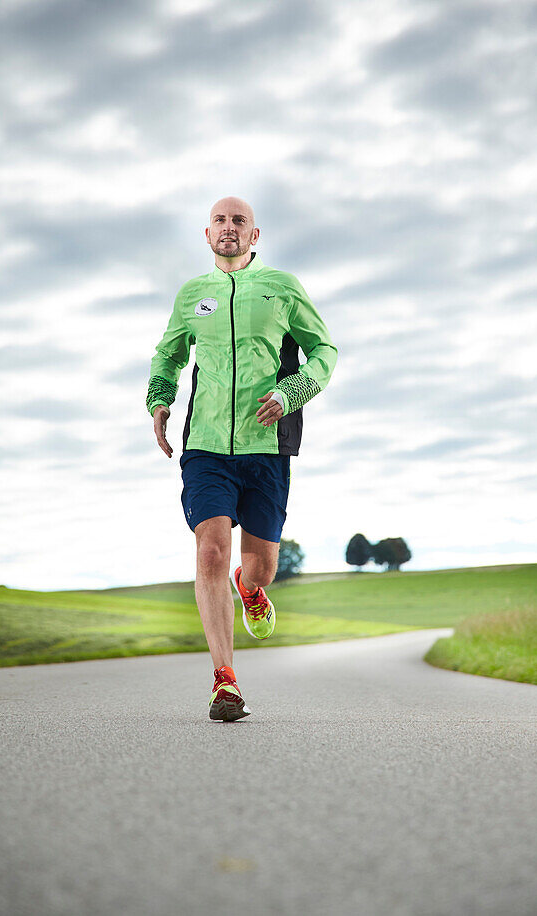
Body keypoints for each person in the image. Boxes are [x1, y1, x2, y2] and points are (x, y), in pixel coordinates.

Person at [147, 196, 337, 720]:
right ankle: (224, 681)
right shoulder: (193, 295)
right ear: (206, 235)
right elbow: (168, 354)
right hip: (206, 446)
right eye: (220, 221)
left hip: (266, 447)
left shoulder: (282, 287)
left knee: (260, 567)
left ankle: (249, 589)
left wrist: (295, 390)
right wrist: (159, 401)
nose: (229, 228)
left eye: (239, 221)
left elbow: (325, 351)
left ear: (255, 235)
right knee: (211, 549)